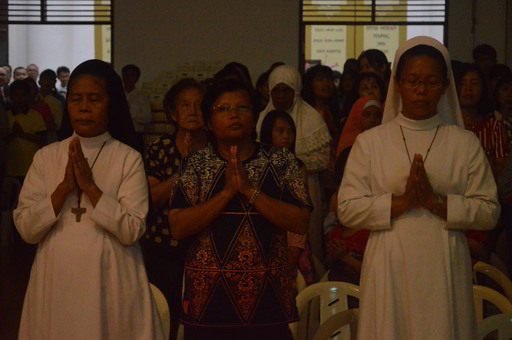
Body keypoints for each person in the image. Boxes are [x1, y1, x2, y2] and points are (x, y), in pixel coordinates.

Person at [337, 36, 500, 340]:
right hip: (389, 260)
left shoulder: (463, 143)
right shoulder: (371, 142)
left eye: (431, 81)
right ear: (397, 83)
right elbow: (347, 208)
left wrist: (436, 202)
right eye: (412, 81)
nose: (421, 91)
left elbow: (489, 210)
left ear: (445, 86)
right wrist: (403, 202)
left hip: (444, 261)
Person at [13, 59, 163, 340]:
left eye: (94, 99)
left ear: (112, 104)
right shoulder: (47, 157)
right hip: (56, 278)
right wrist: (62, 190)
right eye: (76, 99)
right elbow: (26, 228)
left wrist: (91, 189)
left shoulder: (127, 158)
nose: (83, 107)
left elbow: (132, 229)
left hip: (112, 278)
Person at [169, 79, 311, 340]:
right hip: (207, 304)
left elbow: (301, 221)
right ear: (209, 121)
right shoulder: (196, 163)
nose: (233, 114)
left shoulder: (281, 160)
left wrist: (249, 191)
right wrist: (225, 194)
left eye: (242, 108)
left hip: (268, 305)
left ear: (255, 116)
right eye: (223, 109)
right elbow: (177, 226)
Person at [144, 78, 207, 340]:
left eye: (200, 105)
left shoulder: (220, 149)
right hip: (163, 250)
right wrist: (183, 172)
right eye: (185, 105)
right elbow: (150, 200)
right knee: (165, 318)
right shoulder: (160, 149)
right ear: (172, 112)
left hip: (206, 250)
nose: (193, 111)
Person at [256, 65, 331, 260]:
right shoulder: (262, 119)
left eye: (286, 90)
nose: (281, 96)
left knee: (306, 240)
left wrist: (294, 163)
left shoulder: (312, 119)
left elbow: (323, 160)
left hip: (308, 186)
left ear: (296, 91)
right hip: (269, 195)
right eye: (277, 91)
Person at [5, 80, 47, 182]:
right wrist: (12, 135)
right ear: (10, 97)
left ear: (29, 96)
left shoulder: (35, 115)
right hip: (10, 166)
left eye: (23, 95)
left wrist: (22, 134)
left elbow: (42, 138)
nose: (19, 99)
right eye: (16, 95)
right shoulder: (6, 116)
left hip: (31, 165)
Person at [302, 65, 342, 141]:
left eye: (329, 79)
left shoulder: (333, 108)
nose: (326, 83)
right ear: (310, 84)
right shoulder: (305, 110)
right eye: (320, 79)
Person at [122, 64, 152, 140]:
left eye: (132, 75)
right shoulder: (116, 95)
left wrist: (131, 112)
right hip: (119, 135)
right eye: (126, 75)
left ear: (137, 79)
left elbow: (147, 118)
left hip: (135, 136)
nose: (128, 78)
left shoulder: (142, 97)